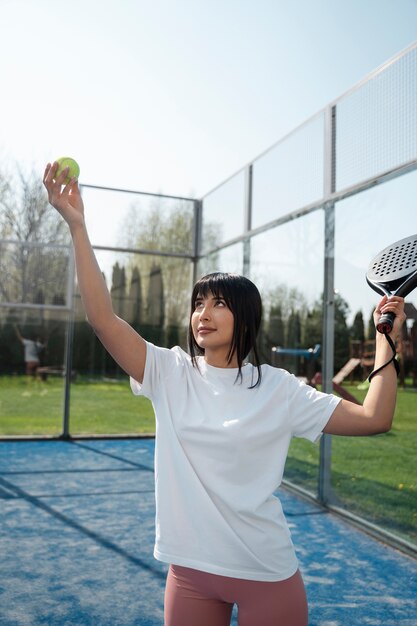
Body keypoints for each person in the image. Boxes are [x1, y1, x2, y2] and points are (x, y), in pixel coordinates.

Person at [43, 162, 406, 626]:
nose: (203, 313)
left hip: (266, 572)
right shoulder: (168, 371)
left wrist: (385, 339)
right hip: (191, 574)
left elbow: (376, 417)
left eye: (218, 303)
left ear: (246, 319)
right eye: (198, 302)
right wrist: (78, 226)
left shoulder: (279, 389)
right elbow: (102, 318)